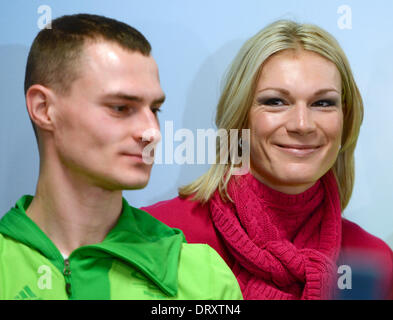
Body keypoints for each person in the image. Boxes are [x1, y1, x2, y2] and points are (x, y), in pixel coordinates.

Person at [142, 20, 393, 300]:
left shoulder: (375, 261)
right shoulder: (160, 236)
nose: (302, 124)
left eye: (323, 103)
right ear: (240, 116)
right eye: (275, 101)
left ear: (346, 120)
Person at [0, 13, 242, 300]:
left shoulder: (201, 275)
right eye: (120, 108)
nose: (152, 132)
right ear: (43, 109)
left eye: (155, 110)